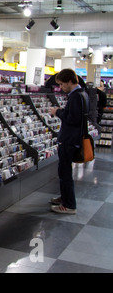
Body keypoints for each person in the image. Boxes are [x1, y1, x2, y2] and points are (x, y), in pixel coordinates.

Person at [49, 68, 89, 214]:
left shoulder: (75, 97)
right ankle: (65, 197)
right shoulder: (83, 94)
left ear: (70, 81)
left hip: (69, 140)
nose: (61, 88)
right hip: (75, 138)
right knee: (65, 172)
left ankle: (69, 205)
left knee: (64, 172)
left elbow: (73, 119)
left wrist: (57, 112)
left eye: (62, 84)